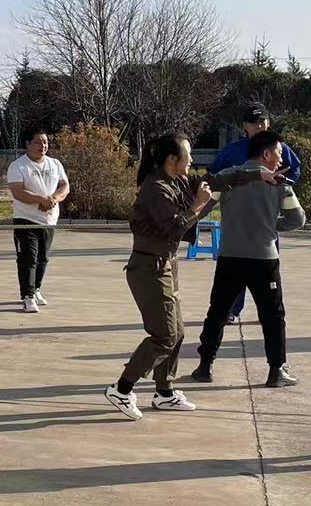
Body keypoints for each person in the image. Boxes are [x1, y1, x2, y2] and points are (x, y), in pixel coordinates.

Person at [105, 132, 269, 422]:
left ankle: (164, 392)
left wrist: (259, 174)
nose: (192, 159)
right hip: (149, 269)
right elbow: (173, 229)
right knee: (164, 336)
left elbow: (216, 181)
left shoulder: (178, 180)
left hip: (166, 265)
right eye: (188, 154)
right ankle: (122, 388)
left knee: (176, 332)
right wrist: (197, 206)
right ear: (172, 159)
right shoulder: (156, 188)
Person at [189, 130, 306, 388]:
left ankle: (205, 366)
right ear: (266, 154)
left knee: (218, 312)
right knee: (272, 316)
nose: (281, 159)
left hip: (230, 256)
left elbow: (203, 207)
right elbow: (298, 219)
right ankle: (276, 370)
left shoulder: (227, 177)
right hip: (264, 258)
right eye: (279, 153)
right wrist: (270, 224)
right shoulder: (280, 183)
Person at [211, 105, 303, 324]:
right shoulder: (233, 151)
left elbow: (295, 170)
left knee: (268, 274)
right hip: (237, 226)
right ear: (245, 126)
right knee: (234, 271)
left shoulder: (279, 148)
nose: (259, 126)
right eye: (254, 122)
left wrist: (281, 186)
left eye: (263, 121)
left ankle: (269, 311)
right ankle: (233, 309)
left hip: (265, 224)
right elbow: (214, 174)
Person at [6, 131, 69, 313]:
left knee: (43, 258)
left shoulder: (55, 164)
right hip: (26, 219)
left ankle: (36, 289)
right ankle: (28, 296)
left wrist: (53, 199)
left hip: (49, 219)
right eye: (38, 142)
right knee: (28, 258)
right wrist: (41, 200)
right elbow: (18, 192)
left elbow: (65, 186)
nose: (43, 146)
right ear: (28, 144)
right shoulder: (18, 166)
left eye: (45, 142)